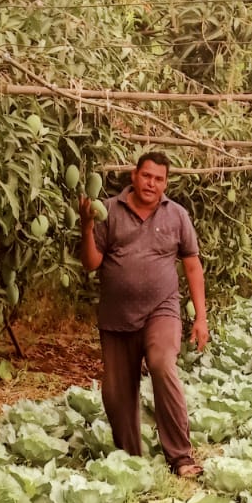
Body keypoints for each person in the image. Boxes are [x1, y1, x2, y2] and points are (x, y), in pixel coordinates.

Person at [79, 151, 208, 477]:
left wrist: (201, 318)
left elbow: (192, 265)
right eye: (147, 176)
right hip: (116, 316)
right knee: (116, 394)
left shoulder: (176, 215)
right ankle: (131, 460)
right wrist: (87, 225)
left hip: (161, 311)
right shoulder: (108, 210)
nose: (152, 183)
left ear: (166, 182)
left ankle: (181, 458)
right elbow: (91, 263)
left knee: (163, 364)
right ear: (134, 176)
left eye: (159, 179)